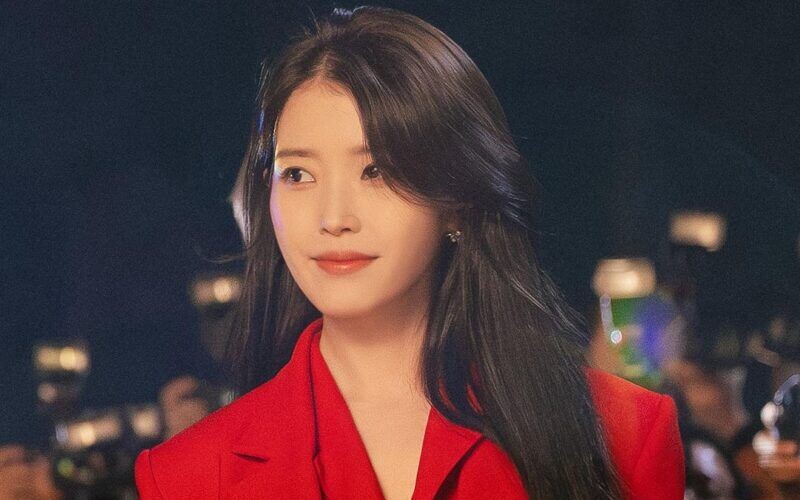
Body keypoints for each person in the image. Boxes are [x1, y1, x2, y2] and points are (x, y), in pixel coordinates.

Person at [134, 6, 685, 499]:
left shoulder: (623, 433)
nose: (333, 218)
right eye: (297, 174)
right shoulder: (188, 476)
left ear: (457, 200)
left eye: (376, 170)